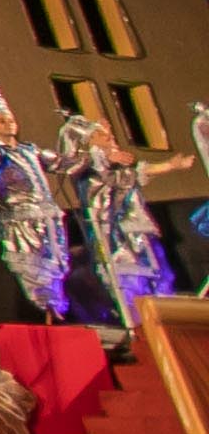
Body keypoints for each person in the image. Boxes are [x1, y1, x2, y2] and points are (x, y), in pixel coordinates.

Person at [58, 107, 194, 325]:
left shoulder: (113, 165)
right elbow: (115, 175)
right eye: (101, 136)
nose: (109, 140)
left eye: (109, 136)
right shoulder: (86, 171)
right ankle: (140, 328)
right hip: (112, 238)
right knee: (129, 283)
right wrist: (168, 166)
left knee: (160, 277)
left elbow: (133, 175)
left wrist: (171, 166)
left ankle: (169, 324)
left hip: (138, 235)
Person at [0, 86, 78, 323]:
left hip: (48, 219)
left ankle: (60, 314)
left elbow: (64, 163)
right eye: (0, 121)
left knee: (56, 268)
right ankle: (48, 316)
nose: (8, 124)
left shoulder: (29, 151)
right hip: (19, 222)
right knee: (34, 271)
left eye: (10, 119)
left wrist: (81, 139)